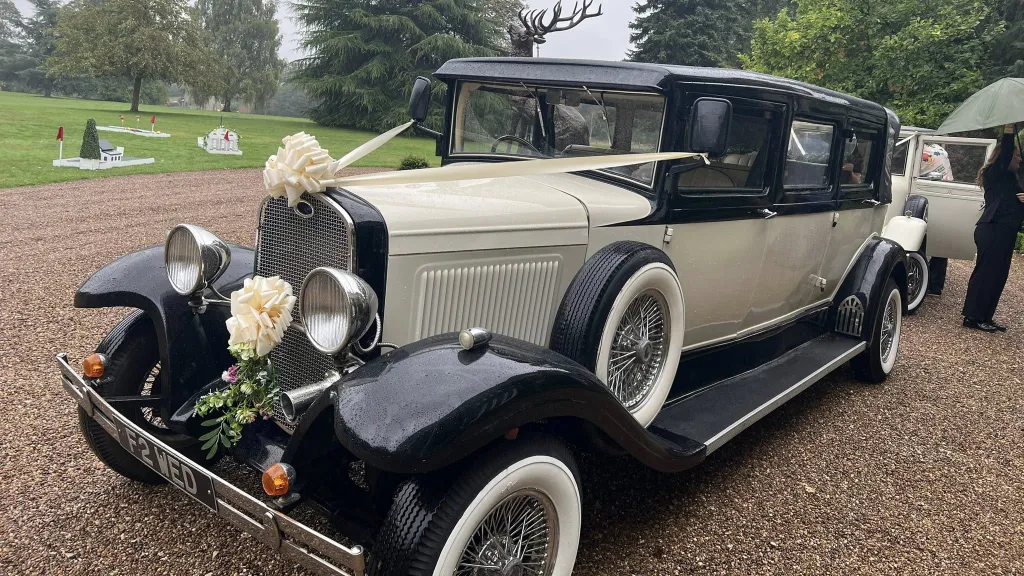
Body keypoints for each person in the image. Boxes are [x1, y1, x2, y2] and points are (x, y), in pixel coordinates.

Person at [962, 124, 1024, 332]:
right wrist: (1009, 129)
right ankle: (972, 316)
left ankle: (985, 316)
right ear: (1005, 158)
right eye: (1016, 157)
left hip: (1005, 232)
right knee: (987, 274)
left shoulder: (1010, 178)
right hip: (993, 229)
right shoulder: (995, 173)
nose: (1019, 160)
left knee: (999, 275)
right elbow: (1006, 151)